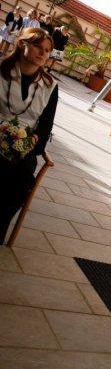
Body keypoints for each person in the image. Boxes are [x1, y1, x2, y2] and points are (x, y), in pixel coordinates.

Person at [0, 28, 58, 243]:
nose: (43, 53)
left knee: (20, 181)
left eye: (47, 50)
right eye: (37, 46)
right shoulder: (2, 69)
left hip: (24, 146)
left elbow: (46, 126)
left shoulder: (50, 85)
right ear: (22, 44)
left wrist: (33, 140)